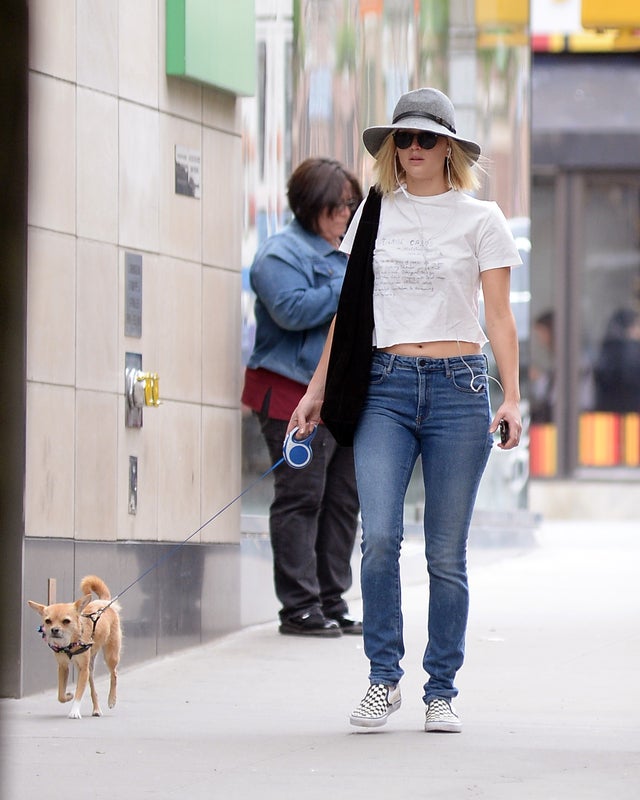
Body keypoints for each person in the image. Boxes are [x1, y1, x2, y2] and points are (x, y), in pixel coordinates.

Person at [287, 88, 523, 731]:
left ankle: (440, 688)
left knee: (446, 554)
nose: (413, 150)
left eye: (426, 139)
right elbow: (349, 315)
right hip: (385, 387)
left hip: (459, 388)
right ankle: (382, 678)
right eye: (404, 140)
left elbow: (499, 318)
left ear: (450, 148)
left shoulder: (483, 219)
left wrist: (513, 397)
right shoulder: (372, 214)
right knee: (381, 538)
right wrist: (314, 391)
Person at [242, 157, 364, 638]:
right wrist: (346, 284)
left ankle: (331, 600)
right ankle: (298, 607)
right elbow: (291, 311)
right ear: (311, 206)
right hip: (290, 395)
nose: (344, 216)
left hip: (343, 398)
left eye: (350, 206)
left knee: (342, 501)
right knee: (301, 497)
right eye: (336, 207)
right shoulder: (278, 255)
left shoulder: (348, 253)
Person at [594, 307, 640, 412]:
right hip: (631, 413)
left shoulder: (607, 349)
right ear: (630, 328)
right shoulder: (631, 350)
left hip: (607, 414)